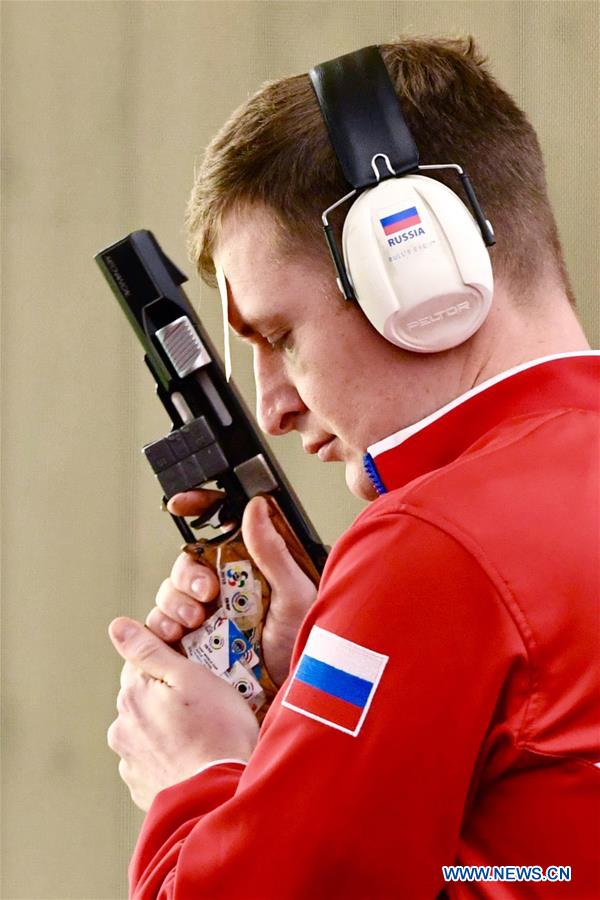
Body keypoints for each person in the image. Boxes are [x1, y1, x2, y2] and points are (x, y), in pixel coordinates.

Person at [107, 37, 599, 898]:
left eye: (283, 338)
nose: (274, 406)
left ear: (415, 274)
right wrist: (318, 711)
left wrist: (199, 778)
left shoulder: (431, 544)